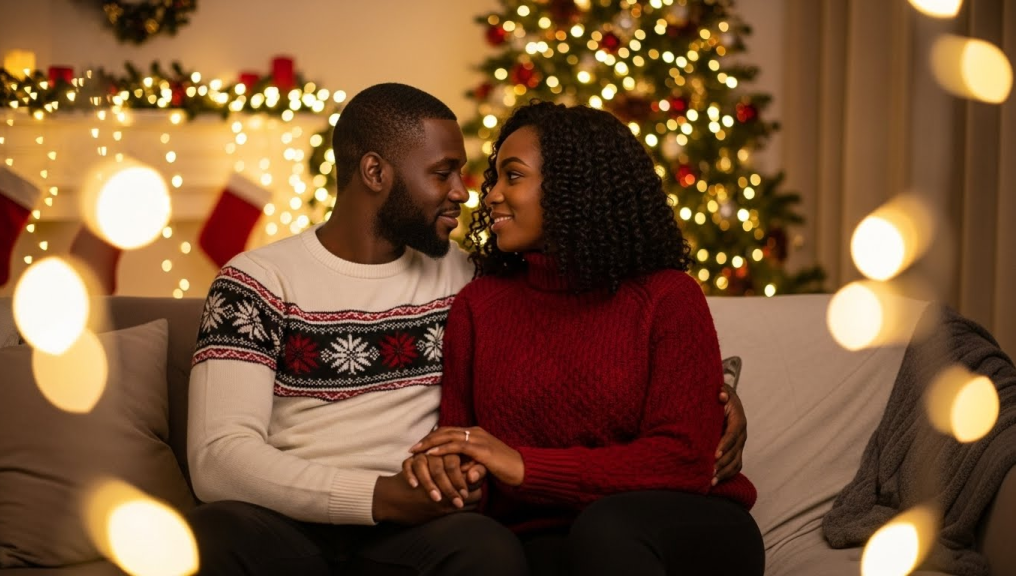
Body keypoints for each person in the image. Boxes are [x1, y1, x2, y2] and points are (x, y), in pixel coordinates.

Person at [185, 83, 748, 575]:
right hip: (291, 522)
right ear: (376, 172)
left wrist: (718, 402)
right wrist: (381, 495)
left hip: (421, 529)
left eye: (474, 172)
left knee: (488, 551)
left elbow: (583, 321)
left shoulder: (468, 277)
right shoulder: (257, 280)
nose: (467, 191)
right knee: (212, 538)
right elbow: (219, 458)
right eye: (442, 173)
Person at [403, 101, 765, 576]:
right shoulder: (479, 305)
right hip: (552, 535)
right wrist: (458, 472)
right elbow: (467, 444)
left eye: (512, 176)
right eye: (494, 178)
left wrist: (524, 467)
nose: (488, 196)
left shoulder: (667, 297)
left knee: (606, 530)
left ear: (576, 187)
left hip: (683, 527)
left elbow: (683, 460)